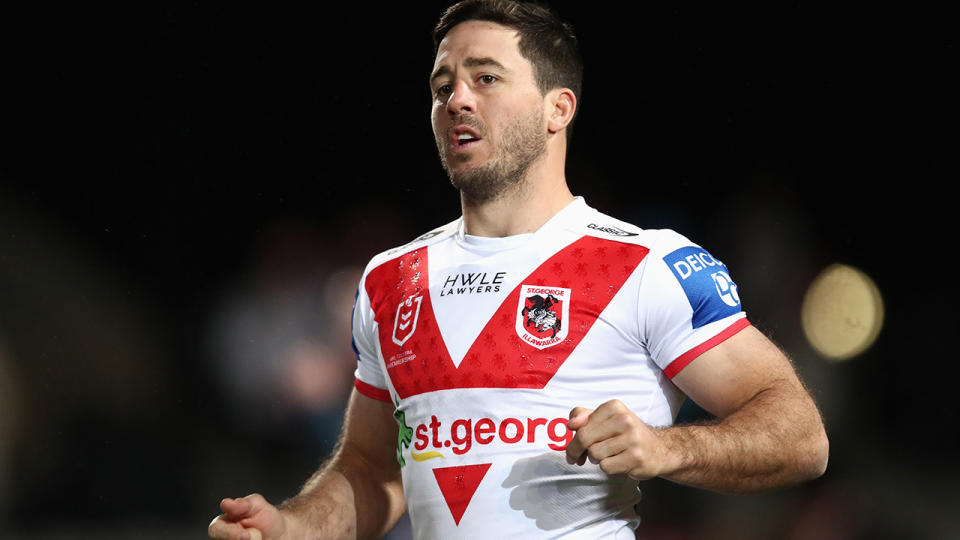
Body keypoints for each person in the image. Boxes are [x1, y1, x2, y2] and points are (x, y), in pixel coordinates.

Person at [208, 1, 829, 538]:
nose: (457, 99)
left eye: (486, 77)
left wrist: (666, 449)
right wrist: (291, 526)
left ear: (558, 109)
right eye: (442, 84)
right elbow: (373, 471)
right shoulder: (391, 279)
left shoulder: (644, 263)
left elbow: (801, 436)